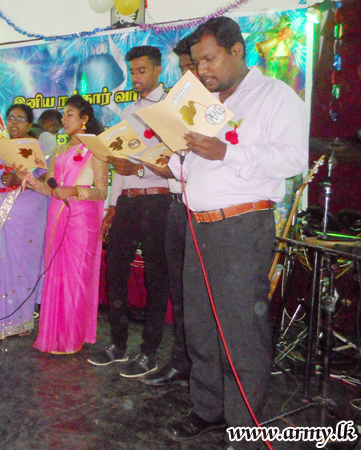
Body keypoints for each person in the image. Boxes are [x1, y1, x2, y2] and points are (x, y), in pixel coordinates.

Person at [163, 17, 307, 449]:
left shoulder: (275, 96)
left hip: (242, 226)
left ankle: (243, 424)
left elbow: (293, 159)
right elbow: (190, 166)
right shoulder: (206, 102)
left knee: (241, 331)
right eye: (196, 62)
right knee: (201, 325)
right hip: (198, 225)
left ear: (238, 50)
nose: (202, 69)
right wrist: (169, 158)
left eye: (209, 58)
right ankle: (207, 409)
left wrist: (227, 151)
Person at [87, 46, 172, 380]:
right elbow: (121, 166)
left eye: (142, 71)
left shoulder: (171, 110)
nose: (136, 78)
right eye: (132, 72)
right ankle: (118, 345)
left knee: (155, 276)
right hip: (128, 202)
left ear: (158, 69)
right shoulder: (128, 111)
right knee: (116, 270)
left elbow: (172, 164)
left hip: (159, 200)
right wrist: (112, 205)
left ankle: (149, 351)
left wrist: (136, 170)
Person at [23, 95, 109, 354]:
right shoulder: (59, 149)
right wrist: (28, 179)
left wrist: (74, 190)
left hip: (81, 219)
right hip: (57, 215)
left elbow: (102, 191)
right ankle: (54, 335)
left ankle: (72, 336)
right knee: (57, 276)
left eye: (70, 114)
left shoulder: (95, 148)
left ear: (84, 119)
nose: (64, 119)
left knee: (75, 277)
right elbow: (51, 189)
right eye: (64, 114)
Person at [140, 35, 199, 387]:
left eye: (194, 65)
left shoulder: (217, 105)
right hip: (177, 204)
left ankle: (207, 367)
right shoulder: (178, 105)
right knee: (178, 291)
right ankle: (182, 360)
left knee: (203, 296)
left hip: (210, 212)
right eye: (185, 67)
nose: (190, 73)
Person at [0, 104, 48, 340]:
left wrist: (20, 177)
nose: (14, 122)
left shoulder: (37, 148)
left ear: (29, 124)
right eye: (11, 118)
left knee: (22, 264)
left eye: (21, 119)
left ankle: (21, 320)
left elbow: (46, 180)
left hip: (27, 216)